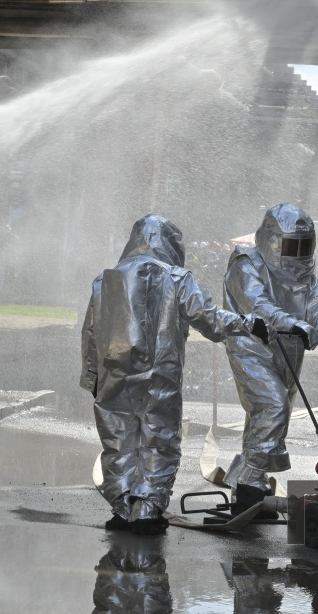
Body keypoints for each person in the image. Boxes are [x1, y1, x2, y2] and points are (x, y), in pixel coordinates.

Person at [80, 214, 269, 535]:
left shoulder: (104, 281)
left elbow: (90, 332)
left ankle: (123, 508)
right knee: (158, 442)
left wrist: (91, 377)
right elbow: (209, 319)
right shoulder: (177, 278)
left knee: (119, 442)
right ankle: (147, 510)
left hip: (113, 377)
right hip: (159, 378)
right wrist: (249, 324)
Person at [222, 204, 318, 514]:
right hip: (251, 348)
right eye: (292, 246)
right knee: (273, 406)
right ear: (272, 241)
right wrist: (293, 323)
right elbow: (257, 304)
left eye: (305, 246)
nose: (298, 254)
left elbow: (317, 301)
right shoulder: (245, 263)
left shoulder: (304, 274)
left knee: (267, 416)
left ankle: (251, 483)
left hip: (289, 351)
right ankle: (249, 483)